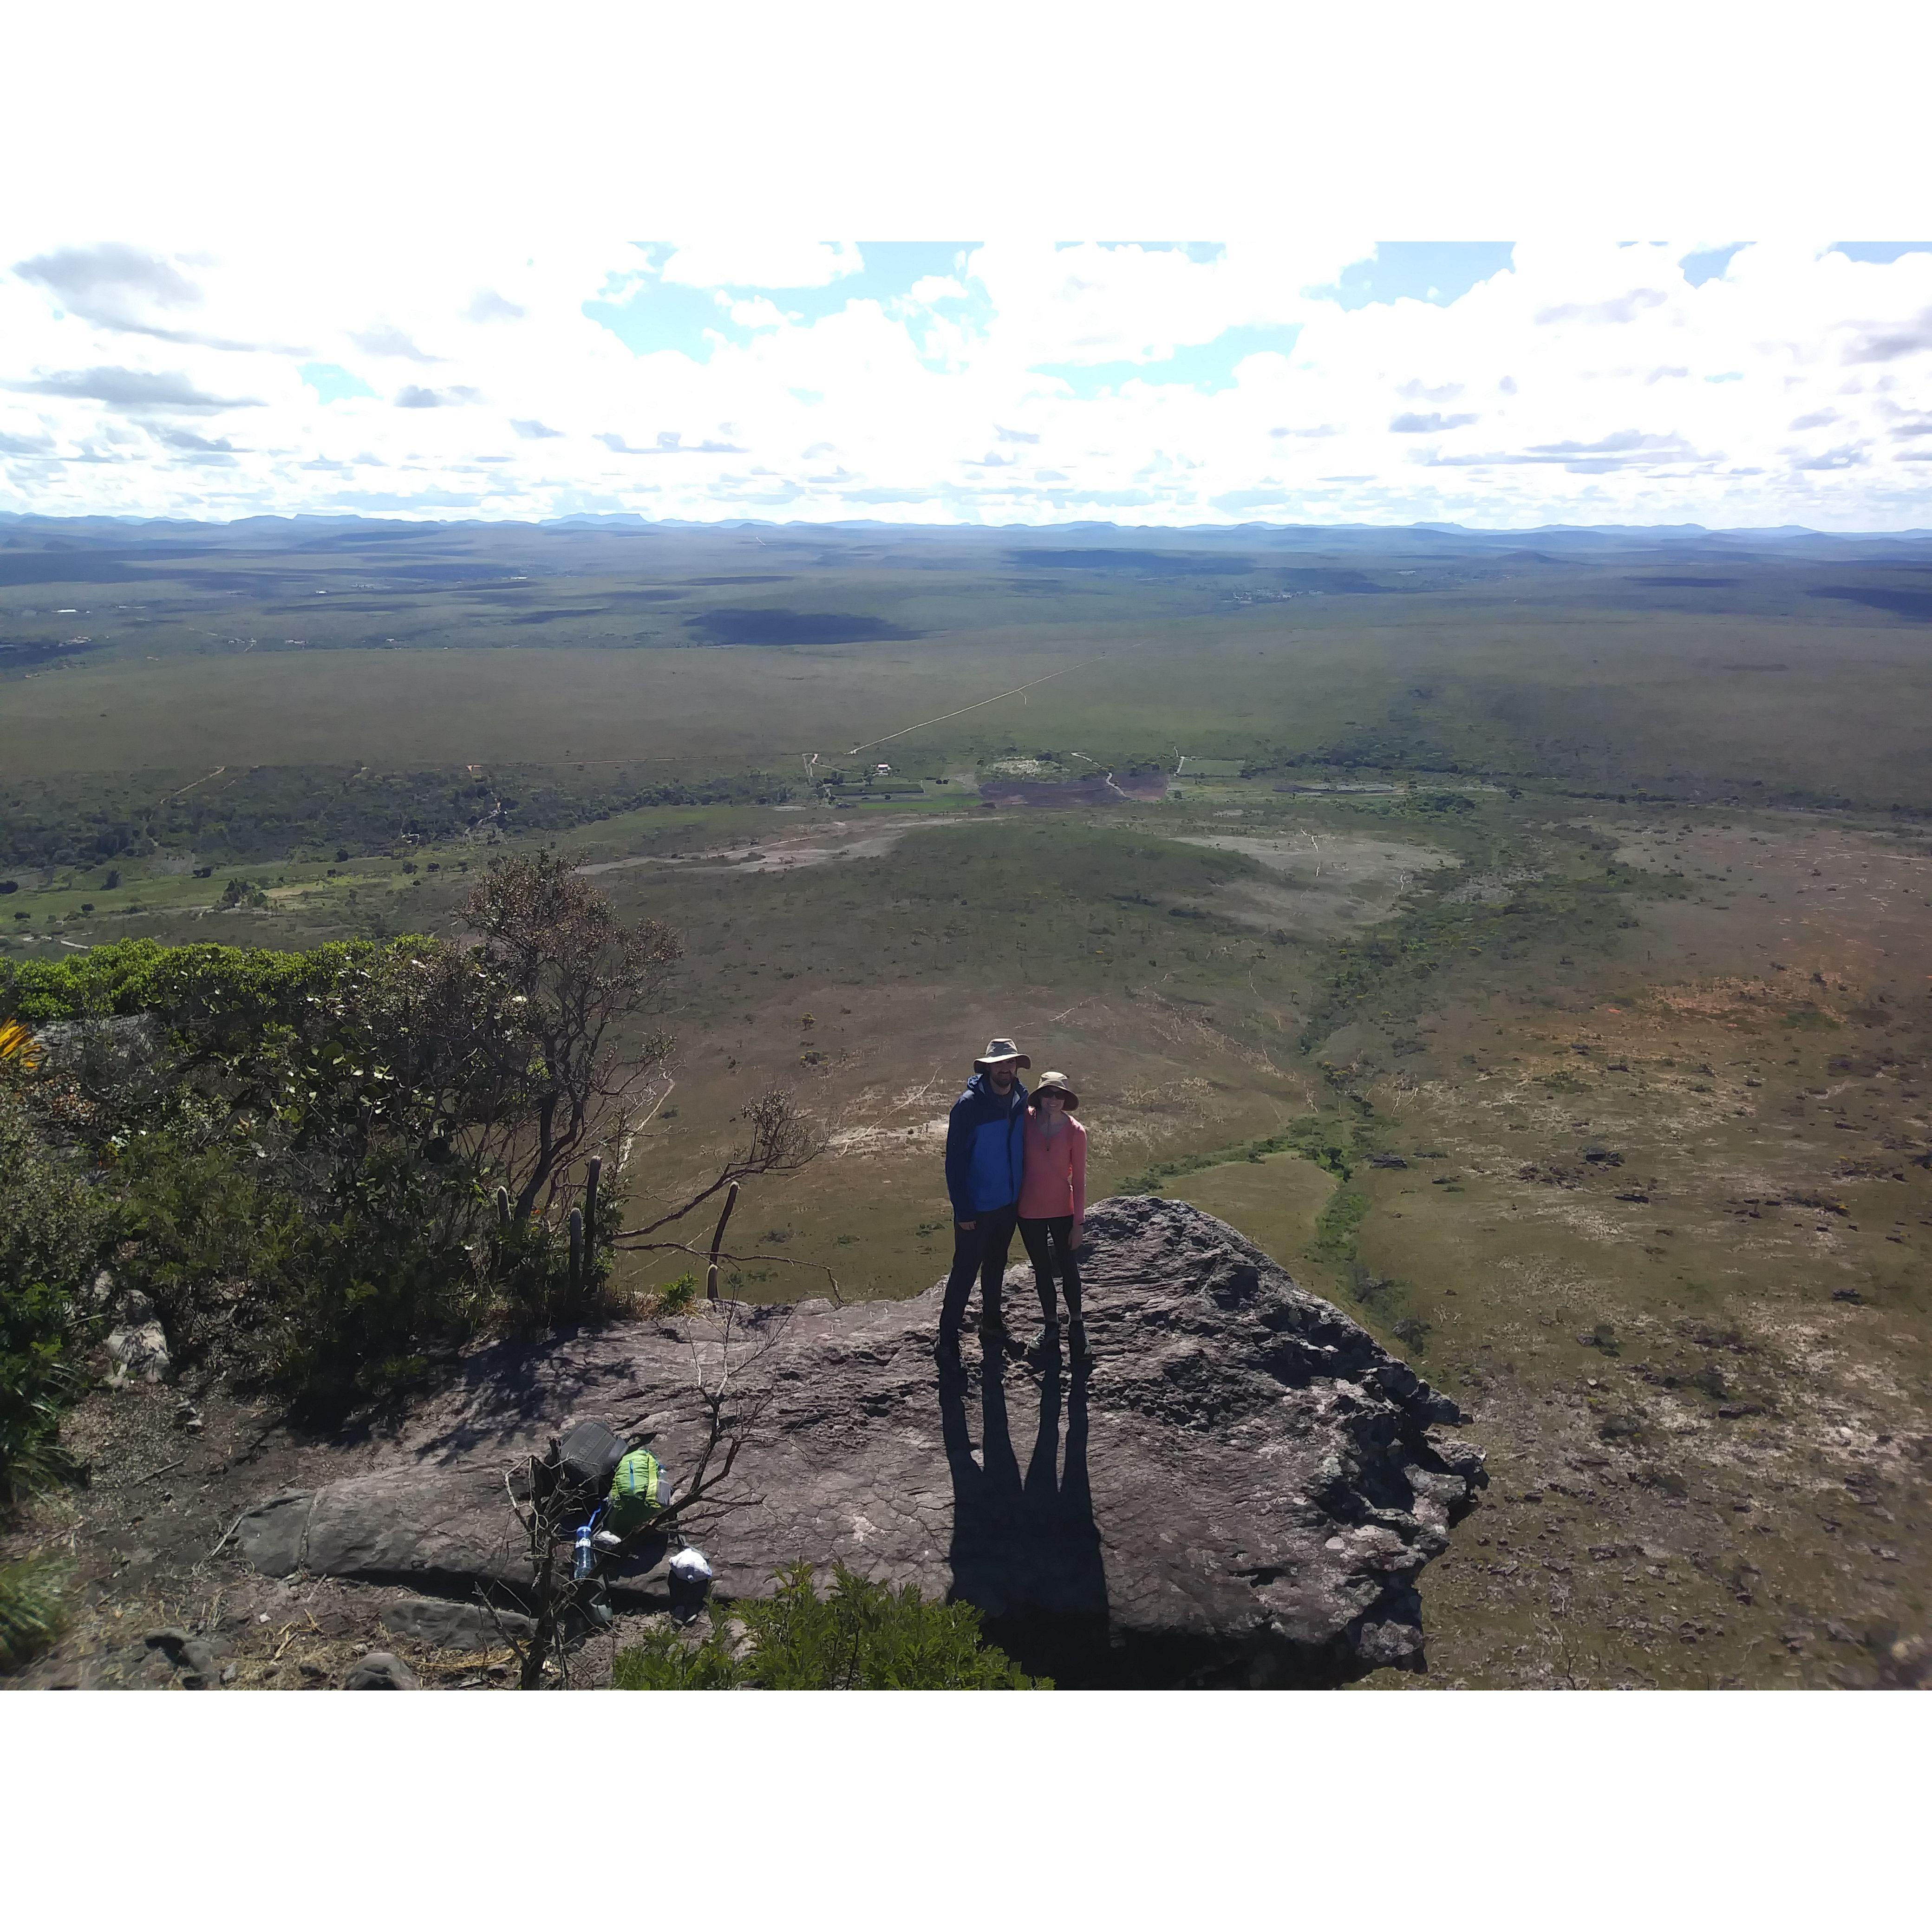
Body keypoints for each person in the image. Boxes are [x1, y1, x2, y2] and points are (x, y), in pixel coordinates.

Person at [939, 1038, 1030, 1360]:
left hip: (1007, 1204)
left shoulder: (1022, 1099)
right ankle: (947, 1338)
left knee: (996, 1266)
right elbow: (954, 1162)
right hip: (976, 1208)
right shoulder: (969, 1106)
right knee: (965, 1271)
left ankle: (992, 1325)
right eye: (1000, 1064)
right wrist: (963, 1209)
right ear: (989, 1067)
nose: (1006, 1069)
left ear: (1017, 1066)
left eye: (1011, 1063)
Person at [1016, 1071, 1088, 1363]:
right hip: (1029, 1211)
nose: (1054, 1100)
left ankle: (1077, 1325)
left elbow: (1080, 1181)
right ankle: (1051, 1326)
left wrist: (1079, 1223)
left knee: (1068, 1268)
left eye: (1060, 1095)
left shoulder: (1076, 1132)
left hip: (1062, 1210)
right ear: (1040, 1096)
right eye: (1049, 1094)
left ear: (1066, 1099)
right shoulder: (1025, 1121)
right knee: (1042, 1270)